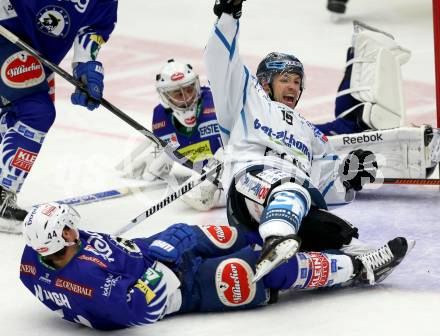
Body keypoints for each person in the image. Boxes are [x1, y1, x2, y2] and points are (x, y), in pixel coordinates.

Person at [20, 202, 414, 330]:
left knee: (228, 235)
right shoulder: (87, 282)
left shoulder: (33, 258)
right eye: (69, 229)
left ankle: (295, 239)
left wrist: (161, 244)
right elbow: (145, 307)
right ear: (61, 238)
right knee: (260, 271)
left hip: (154, 255)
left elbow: (107, 250)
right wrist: (166, 264)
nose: (76, 230)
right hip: (183, 290)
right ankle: (359, 270)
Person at [203, 0, 383, 280]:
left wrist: (348, 177)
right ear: (265, 82)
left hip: (290, 199)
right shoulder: (247, 100)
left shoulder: (311, 133)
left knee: (339, 234)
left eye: (297, 82)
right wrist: (228, 15)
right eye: (285, 79)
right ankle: (276, 238)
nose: (293, 87)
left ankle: (357, 267)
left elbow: (324, 184)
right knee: (293, 188)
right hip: (247, 189)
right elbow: (220, 64)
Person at [0, 0, 118, 234]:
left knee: (20, 114)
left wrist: (86, 66)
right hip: (7, 36)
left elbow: (93, 27)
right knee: (35, 111)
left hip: (38, 56)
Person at [119, 59, 223, 183]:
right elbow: (170, 145)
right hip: (203, 173)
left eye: (189, 90)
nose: (186, 98)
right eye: (178, 94)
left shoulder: (217, 102)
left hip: (233, 166)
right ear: (165, 97)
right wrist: (155, 154)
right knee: (151, 170)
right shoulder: (161, 119)